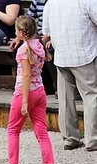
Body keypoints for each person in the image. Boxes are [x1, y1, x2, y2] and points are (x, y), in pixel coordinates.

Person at [0, 15, 54, 164]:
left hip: (24, 92)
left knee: (13, 130)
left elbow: (26, 75)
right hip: (40, 90)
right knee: (41, 130)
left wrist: (24, 102)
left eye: (16, 31)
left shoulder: (24, 50)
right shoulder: (39, 45)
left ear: (21, 32)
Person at [42, 0, 97, 151]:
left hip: (62, 56)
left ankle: (70, 138)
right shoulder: (86, 1)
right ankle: (93, 139)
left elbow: (46, 32)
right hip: (84, 53)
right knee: (91, 96)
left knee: (65, 99)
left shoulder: (50, 3)